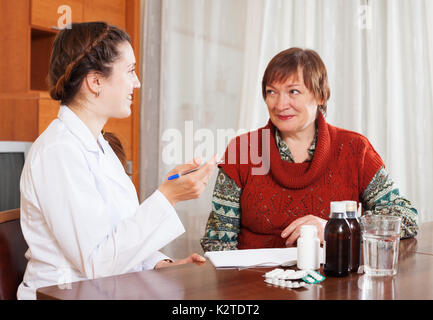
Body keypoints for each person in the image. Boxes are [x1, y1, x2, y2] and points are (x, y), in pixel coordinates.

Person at [18, 22, 217, 300]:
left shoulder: (100, 146)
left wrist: (158, 264)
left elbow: (117, 235)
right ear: (96, 81)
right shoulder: (58, 152)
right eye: (130, 70)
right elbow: (98, 263)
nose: (137, 82)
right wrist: (167, 197)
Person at [201, 47, 418, 252]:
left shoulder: (354, 148)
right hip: (253, 287)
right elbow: (217, 241)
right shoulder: (242, 150)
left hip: (332, 285)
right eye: (271, 92)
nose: (279, 104)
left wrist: (337, 229)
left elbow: (406, 218)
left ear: (320, 95)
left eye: (293, 91)